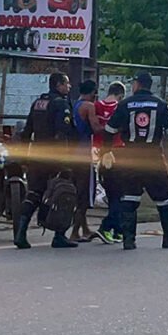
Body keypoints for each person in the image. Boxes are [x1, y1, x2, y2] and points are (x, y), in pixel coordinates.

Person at [101, 71, 168, 250]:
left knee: (129, 196)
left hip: (131, 157)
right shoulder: (161, 105)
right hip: (153, 157)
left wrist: (106, 151)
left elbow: (109, 130)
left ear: (137, 84)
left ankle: (129, 240)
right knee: (164, 197)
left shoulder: (125, 104)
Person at [14, 72, 78, 249]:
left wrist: (24, 156)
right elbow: (62, 132)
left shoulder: (38, 103)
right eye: (66, 83)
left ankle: (20, 233)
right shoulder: (61, 104)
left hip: (37, 155)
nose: (69, 87)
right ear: (58, 85)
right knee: (64, 192)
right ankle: (59, 236)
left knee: (34, 193)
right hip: (54, 156)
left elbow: (26, 132)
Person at [70, 80, 104, 242]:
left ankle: (85, 229)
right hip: (84, 154)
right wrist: (113, 127)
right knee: (84, 195)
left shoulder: (74, 105)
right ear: (93, 92)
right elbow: (96, 128)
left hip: (72, 153)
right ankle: (75, 232)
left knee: (79, 192)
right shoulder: (89, 106)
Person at [93, 81, 126, 244]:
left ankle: (119, 230)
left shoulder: (96, 106)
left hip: (98, 153)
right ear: (121, 95)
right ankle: (106, 227)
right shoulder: (120, 108)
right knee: (119, 194)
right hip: (116, 152)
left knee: (112, 192)